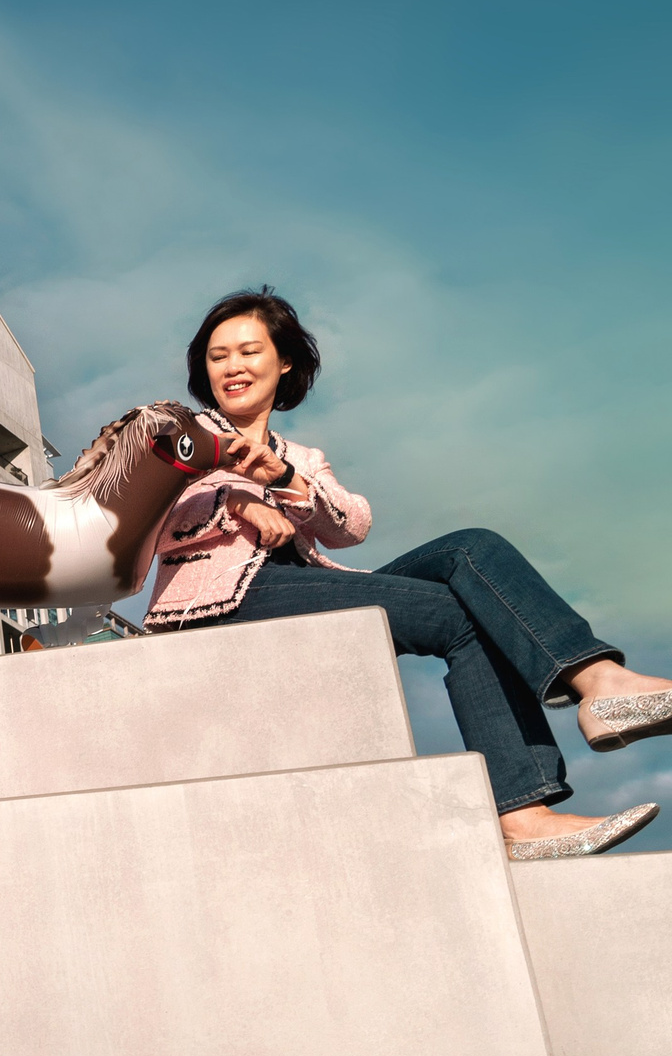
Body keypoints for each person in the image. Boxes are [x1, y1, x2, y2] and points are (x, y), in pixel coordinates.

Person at [144, 287, 671, 861]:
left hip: (300, 584)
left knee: (471, 549)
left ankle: (597, 684)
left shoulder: (301, 455)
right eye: (218, 356)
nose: (233, 367)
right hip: (217, 602)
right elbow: (138, 516)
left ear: (284, 361)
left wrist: (288, 479)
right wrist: (237, 501)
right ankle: (522, 812)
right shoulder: (179, 433)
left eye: (249, 352)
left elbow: (351, 526)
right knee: (454, 616)